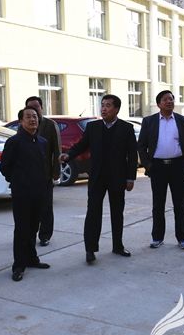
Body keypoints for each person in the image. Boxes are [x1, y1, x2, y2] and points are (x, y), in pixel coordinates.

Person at [59, 95, 137, 264]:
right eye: (102, 105)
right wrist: (69, 155)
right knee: (93, 212)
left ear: (116, 109)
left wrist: (131, 177)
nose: (104, 108)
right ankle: (90, 249)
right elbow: (82, 145)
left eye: (108, 105)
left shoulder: (126, 128)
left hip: (118, 178)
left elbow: (132, 154)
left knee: (117, 213)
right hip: (97, 177)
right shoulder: (93, 127)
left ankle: (118, 246)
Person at [138, 90, 184, 250]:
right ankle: (157, 237)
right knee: (158, 204)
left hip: (178, 167)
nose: (169, 102)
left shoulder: (182, 121)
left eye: (171, 99)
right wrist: (148, 165)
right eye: (165, 99)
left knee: (180, 204)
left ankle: (182, 238)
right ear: (159, 104)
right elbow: (141, 145)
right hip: (157, 167)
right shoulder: (149, 121)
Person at [0, 107, 51, 281]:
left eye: (35, 116)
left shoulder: (42, 142)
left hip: (39, 192)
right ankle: (19, 265)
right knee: (22, 229)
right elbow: (4, 167)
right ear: (21, 121)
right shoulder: (14, 142)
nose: (32, 119)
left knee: (34, 227)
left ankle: (31, 259)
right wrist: (18, 181)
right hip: (22, 193)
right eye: (28, 117)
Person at [25, 96, 61, 246]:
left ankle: (45, 235)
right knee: (30, 207)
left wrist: (56, 171)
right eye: (30, 107)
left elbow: (57, 149)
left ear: (41, 108)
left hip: (45, 173)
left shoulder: (50, 125)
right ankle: (29, 233)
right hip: (28, 174)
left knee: (46, 207)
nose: (34, 110)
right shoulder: (24, 125)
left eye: (36, 107)